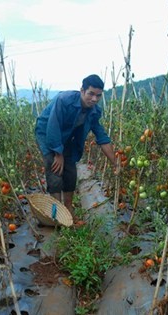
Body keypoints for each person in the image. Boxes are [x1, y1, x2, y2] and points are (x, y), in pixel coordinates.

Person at [34, 74, 116, 222]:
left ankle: (69, 209)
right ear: (82, 91)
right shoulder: (64, 100)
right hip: (47, 133)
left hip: (66, 138)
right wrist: (58, 154)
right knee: (55, 169)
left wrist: (115, 162)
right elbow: (53, 126)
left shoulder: (94, 111)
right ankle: (57, 214)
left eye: (98, 96)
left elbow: (102, 137)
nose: (94, 99)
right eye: (91, 94)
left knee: (70, 170)